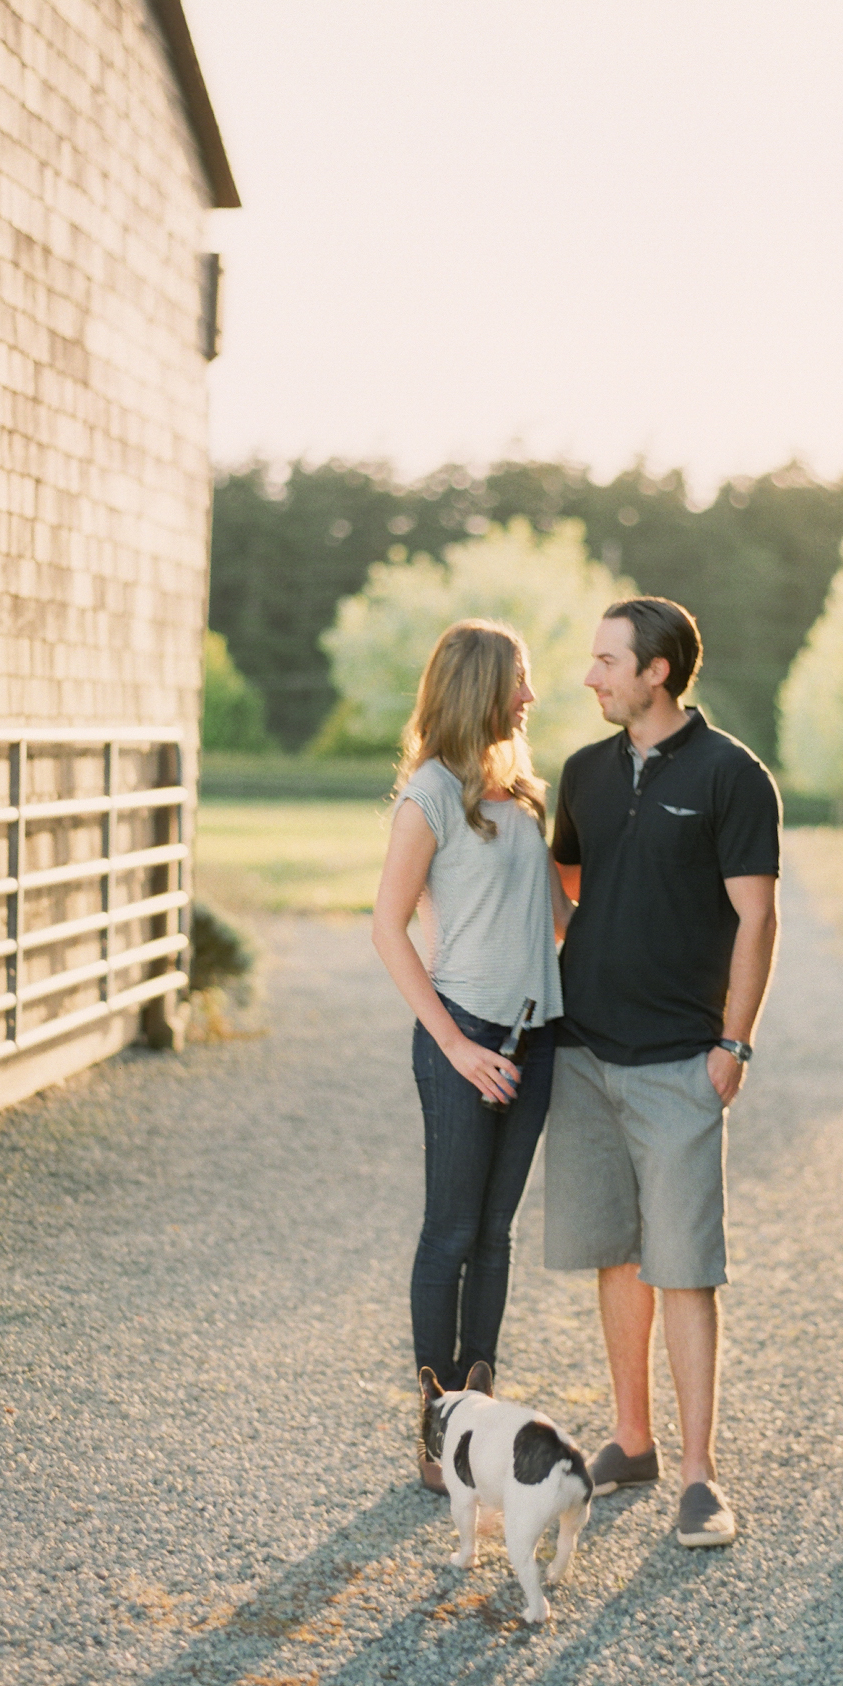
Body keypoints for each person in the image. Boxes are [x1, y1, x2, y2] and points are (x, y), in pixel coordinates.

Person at [544, 596, 781, 1547]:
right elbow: (567, 881)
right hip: (586, 1054)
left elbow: (756, 920)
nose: (591, 676)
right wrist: (588, 939)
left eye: (607, 660)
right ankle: (632, 1441)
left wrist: (733, 1043)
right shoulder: (583, 772)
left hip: (684, 1060)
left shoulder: (732, 776)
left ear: (657, 672)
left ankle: (698, 1478)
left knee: (684, 1269)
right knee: (616, 1254)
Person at [372, 619, 570, 1494]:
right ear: (480, 688)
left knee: (496, 1234)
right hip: (464, 1037)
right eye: (519, 681)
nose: (530, 698)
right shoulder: (429, 796)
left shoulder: (524, 793)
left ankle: (477, 1413)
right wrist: (454, 1047)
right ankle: (432, 1430)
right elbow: (386, 926)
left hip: (539, 1036)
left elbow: (559, 919)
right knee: (450, 1233)